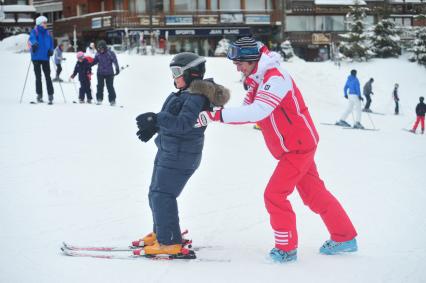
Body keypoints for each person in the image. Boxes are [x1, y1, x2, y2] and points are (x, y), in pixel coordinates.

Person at [195, 37, 358, 263]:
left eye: (240, 62)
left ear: (253, 59)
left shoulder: (275, 78)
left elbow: (258, 111)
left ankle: (286, 248)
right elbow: (246, 110)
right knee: (314, 194)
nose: (237, 67)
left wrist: (215, 116)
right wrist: (214, 107)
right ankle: (345, 237)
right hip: (293, 147)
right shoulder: (258, 80)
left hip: (297, 148)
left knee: (274, 194)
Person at [134, 52, 229, 256]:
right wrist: (155, 126)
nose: (173, 77)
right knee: (155, 193)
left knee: (163, 195)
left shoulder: (197, 98)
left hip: (180, 155)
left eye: (177, 72)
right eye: (172, 72)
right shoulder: (182, 94)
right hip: (169, 152)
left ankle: (170, 242)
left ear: (192, 73)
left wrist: (157, 118)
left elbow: (184, 124)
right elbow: (172, 119)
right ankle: (162, 232)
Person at [28, 15, 54, 104]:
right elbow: (31, 39)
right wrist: (34, 44)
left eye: (46, 22)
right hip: (36, 58)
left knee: (48, 77)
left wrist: (51, 50)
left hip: (45, 57)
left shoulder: (48, 33)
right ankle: (39, 95)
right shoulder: (35, 31)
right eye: (44, 22)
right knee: (38, 77)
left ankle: (50, 95)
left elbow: (51, 42)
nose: (46, 24)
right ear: (40, 23)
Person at [91, 40, 120, 106]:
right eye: (99, 49)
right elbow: (95, 61)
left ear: (104, 47)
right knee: (100, 86)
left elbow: (115, 61)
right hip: (100, 73)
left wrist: (117, 68)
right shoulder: (98, 53)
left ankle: (112, 100)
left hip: (109, 73)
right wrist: (90, 64)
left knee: (110, 86)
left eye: (101, 49)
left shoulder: (110, 53)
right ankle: (99, 99)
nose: (100, 50)